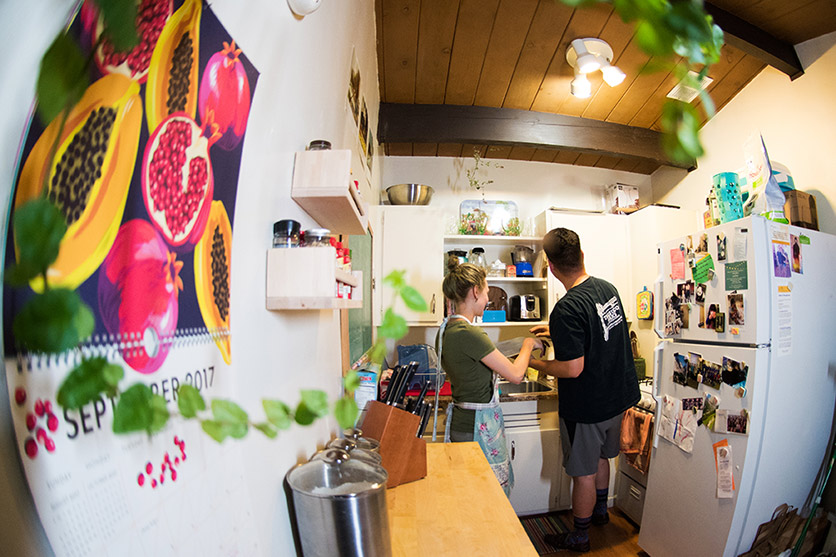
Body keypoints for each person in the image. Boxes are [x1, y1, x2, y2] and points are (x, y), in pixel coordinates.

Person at [528, 228, 640, 553]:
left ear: (550, 266)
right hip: (617, 398)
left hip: (587, 406)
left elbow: (572, 368)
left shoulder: (565, 309)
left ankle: (579, 536)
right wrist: (558, 330)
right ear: (581, 256)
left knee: (583, 474)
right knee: (604, 458)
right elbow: (599, 328)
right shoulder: (607, 288)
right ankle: (601, 513)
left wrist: (537, 365)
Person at [435, 262, 543, 496]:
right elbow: (515, 375)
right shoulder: (470, 334)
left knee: (469, 493)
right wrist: (527, 344)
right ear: (475, 291)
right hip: (477, 428)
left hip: (461, 423)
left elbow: (475, 362)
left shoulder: (445, 330)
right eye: (485, 292)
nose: (487, 298)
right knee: (487, 496)